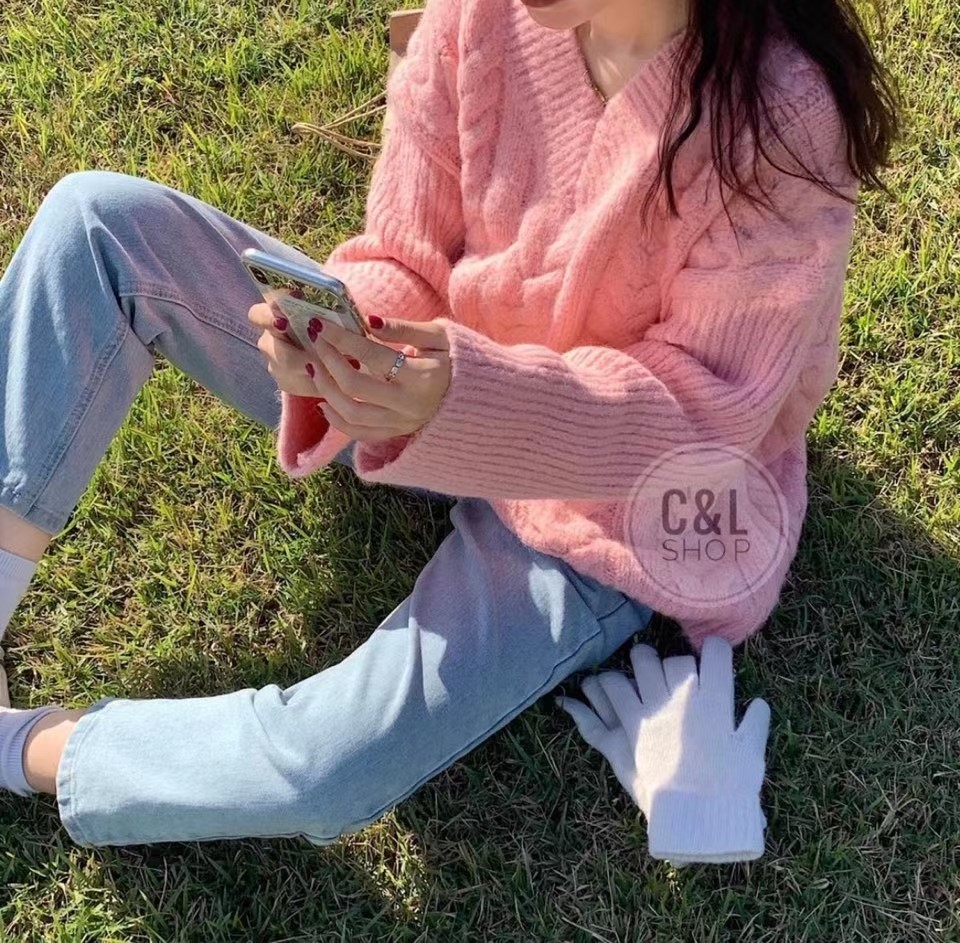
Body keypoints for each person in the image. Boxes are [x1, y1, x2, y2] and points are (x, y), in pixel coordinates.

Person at [0, 0, 897, 849]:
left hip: (613, 506)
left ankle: (21, 747)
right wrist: (346, 344)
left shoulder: (780, 118)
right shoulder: (484, 16)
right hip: (429, 379)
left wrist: (459, 399)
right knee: (97, 225)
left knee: (328, 762)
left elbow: (702, 421)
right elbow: (405, 252)